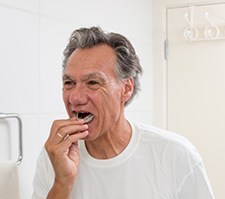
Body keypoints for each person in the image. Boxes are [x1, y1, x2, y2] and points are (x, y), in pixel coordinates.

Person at [32, 26, 215, 199]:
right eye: (69, 83)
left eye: (93, 83)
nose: (76, 98)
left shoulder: (175, 155)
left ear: (126, 89)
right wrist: (62, 183)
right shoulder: (55, 157)